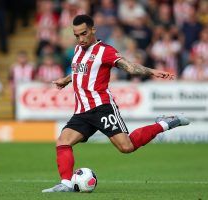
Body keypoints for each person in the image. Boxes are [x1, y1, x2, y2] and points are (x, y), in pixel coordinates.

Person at [42, 15, 190, 193]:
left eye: (84, 34)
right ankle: (66, 184)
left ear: (93, 30)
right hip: (82, 111)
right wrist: (66, 80)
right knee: (62, 142)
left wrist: (151, 71)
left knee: (126, 147)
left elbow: (129, 67)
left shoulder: (105, 51)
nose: (81, 39)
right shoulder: (78, 50)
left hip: (102, 108)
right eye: (77, 35)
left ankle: (165, 123)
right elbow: (79, 71)